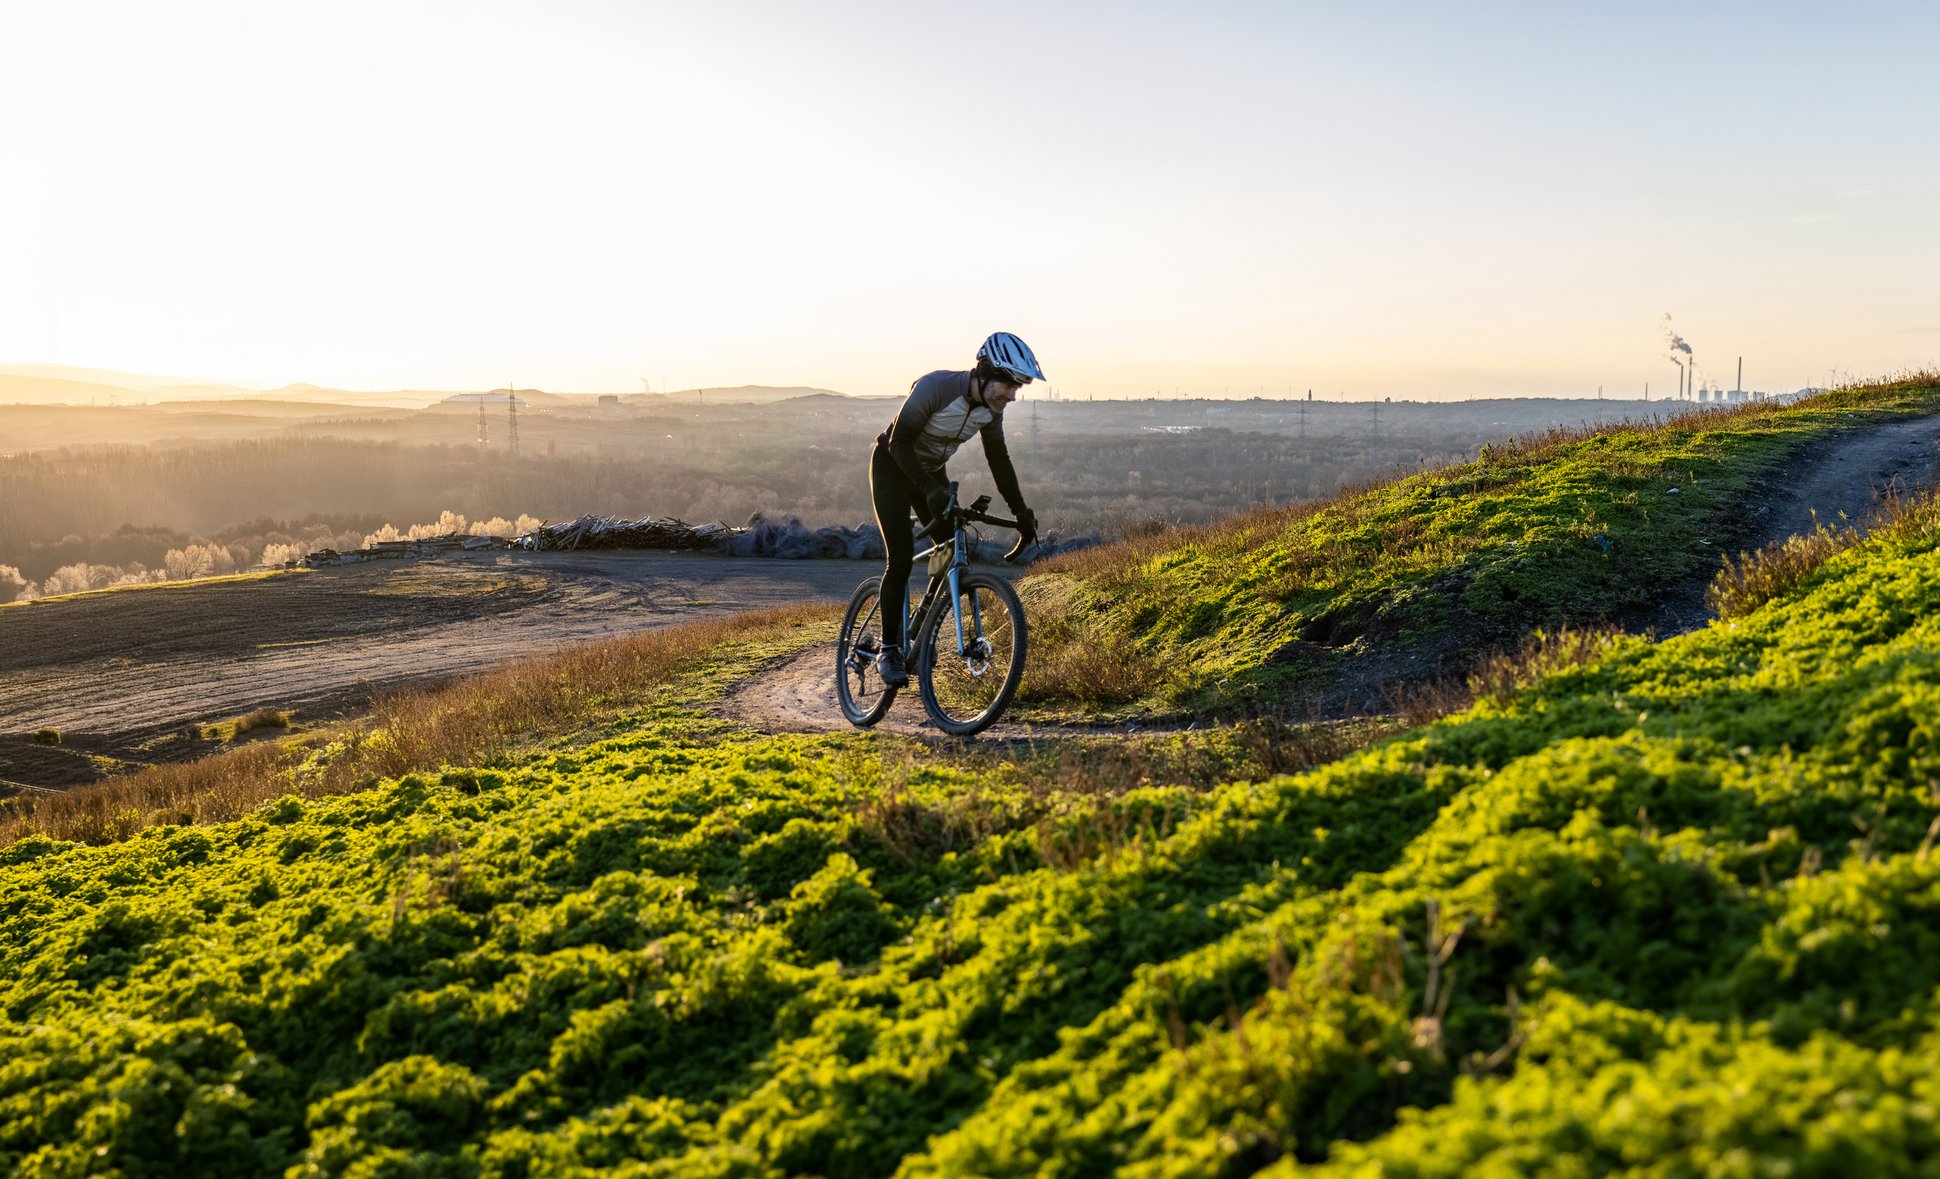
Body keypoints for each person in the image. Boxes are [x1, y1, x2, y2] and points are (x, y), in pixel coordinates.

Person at [870, 331, 1043, 687]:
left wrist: (1021, 510)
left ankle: (920, 633)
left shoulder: (989, 411)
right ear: (984, 372)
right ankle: (888, 649)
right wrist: (929, 489)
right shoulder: (937, 388)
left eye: (1018, 389)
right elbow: (898, 442)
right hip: (892, 465)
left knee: (950, 551)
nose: (1012, 396)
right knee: (900, 558)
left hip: (930, 473)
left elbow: (999, 459)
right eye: (1009, 386)